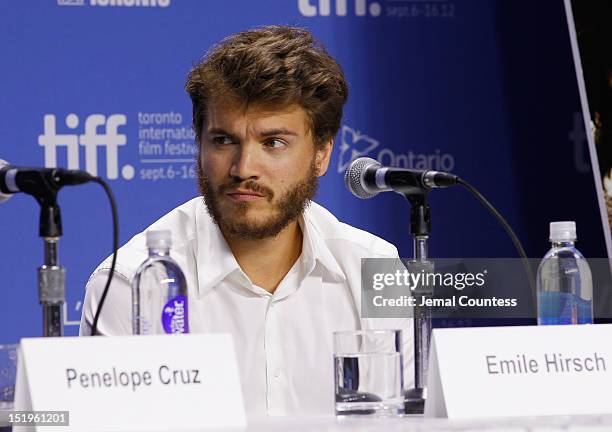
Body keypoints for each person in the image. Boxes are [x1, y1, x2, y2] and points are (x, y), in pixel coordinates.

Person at [80, 25, 413, 418]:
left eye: (273, 143)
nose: (243, 168)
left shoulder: (373, 267)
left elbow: (407, 421)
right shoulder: (130, 283)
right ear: (199, 144)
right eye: (223, 140)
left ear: (321, 153)